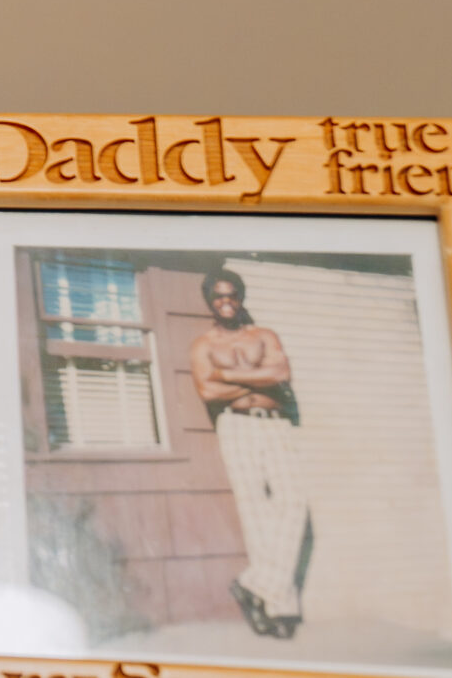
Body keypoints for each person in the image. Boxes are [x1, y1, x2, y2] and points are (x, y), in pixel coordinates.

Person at [188, 267, 309, 638]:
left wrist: (226, 377)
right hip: (237, 426)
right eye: (219, 296)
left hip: (275, 424)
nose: (226, 301)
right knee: (256, 513)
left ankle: (253, 585)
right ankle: (278, 607)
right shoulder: (204, 345)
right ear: (210, 301)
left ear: (241, 297)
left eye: (232, 294)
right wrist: (253, 379)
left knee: (294, 504)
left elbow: (280, 372)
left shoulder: (264, 335)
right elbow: (207, 392)